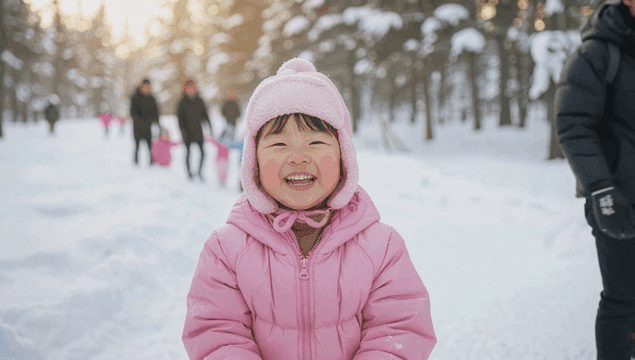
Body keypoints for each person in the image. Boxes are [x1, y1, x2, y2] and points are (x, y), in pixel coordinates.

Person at [182, 58, 436, 359]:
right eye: (279, 145)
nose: (298, 157)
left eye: (315, 141)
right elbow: (217, 335)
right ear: (254, 163)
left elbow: (399, 330)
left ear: (343, 157)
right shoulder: (226, 250)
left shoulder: (382, 247)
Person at [556, 0, 635, 359]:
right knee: (623, 298)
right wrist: (602, 190)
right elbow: (574, 124)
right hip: (619, 197)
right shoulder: (598, 52)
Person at [177, 80, 212, 180]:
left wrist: (209, 126)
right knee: (188, 153)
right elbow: (179, 118)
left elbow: (205, 115)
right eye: (189, 87)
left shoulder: (199, 100)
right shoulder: (182, 102)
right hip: (187, 132)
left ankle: (200, 172)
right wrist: (182, 131)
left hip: (198, 131)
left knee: (203, 153)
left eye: (192, 87)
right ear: (185, 89)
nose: (191, 89)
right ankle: (189, 173)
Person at [130, 78, 161, 166]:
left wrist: (157, 123)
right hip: (137, 127)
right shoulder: (135, 98)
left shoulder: (152, 99)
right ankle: (136, 163)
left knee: (150, 146)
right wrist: (139, 122)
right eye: (145, 86)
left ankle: (151, 162)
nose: (146, 88)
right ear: (141, 86)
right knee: (137, 146)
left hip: (148, 127)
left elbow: (156, 112)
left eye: (148, 87)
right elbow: (133, 112)